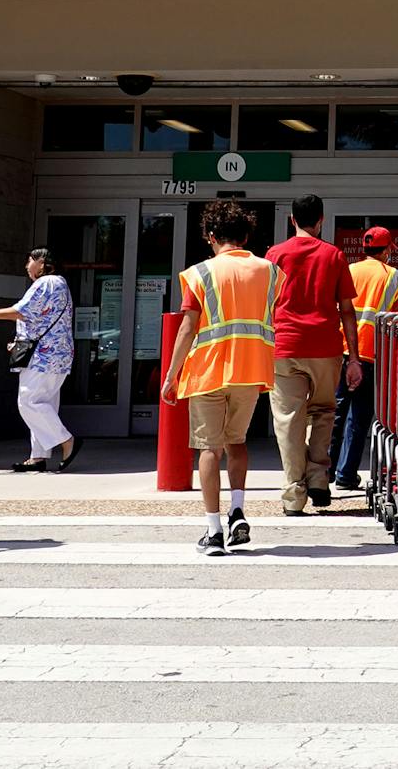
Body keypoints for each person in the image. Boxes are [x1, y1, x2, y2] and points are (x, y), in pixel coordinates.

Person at [160, 200, 278, 556]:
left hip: (209, 370)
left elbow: (187, 328)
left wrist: (171, 375)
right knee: (237, 442)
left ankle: (213, 531)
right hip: (250, 369)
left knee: (209, 449)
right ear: (246, 235)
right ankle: (238, 510)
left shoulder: (201, 273)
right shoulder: (270, 271)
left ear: (211, 236)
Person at [264, 195, 360, 516]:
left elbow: (265, 308)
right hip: (325, 348)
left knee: (289, 421)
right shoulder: (334, 256)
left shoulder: (275, 255)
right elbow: (347, 311)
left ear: (291, 220)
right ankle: (319, 477)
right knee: (324, 412)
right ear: (320, 220)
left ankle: (294, 493)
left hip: (285, 347)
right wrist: (354, 358)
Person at [0, 248, 82, 473]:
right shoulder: (60, 284)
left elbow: (22, 311)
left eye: (29, 260)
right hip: (56, 354)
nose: (26, 266)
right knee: (45, 403)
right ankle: (38, 455)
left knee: (29, 402)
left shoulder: (45, 282)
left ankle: (67, 441)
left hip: (44, 356)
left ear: (42, 262)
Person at [334, 226, 398, 491]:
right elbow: (396, 318)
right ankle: (345, 474)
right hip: (372, 354)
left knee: (334, 412)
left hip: (341, 350)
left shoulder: (347, 271)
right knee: (359, 416)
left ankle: (324, 473)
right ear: (387, 249)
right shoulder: (396, 278)